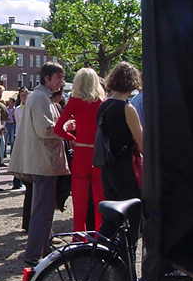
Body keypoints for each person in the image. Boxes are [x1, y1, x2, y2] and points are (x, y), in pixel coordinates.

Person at [11, 62, 69, 265]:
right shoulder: (40, 98)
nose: (61, 81)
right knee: (42, 210)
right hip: (43, 161)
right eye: (59, 77)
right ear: (47, 78)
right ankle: (34, 255)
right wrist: (67, 127)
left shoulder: (43, 97)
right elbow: (44, 129)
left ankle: (43, 248)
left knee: (44, 208)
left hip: (45, 161)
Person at [53, 68, 106, 233]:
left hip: (81, 153)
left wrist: (73, 138)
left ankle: (78, 235)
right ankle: (99, 234)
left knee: (79, 201)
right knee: (99, 199)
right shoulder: (102, 103)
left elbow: (58, 129)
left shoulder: (74, 102)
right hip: (98, 154)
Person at [97, 62, 143, 202]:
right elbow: (141, 142)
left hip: (107, 165)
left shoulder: (103, 105)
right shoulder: (127, 108)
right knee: (131, 205)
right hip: (125, 165)